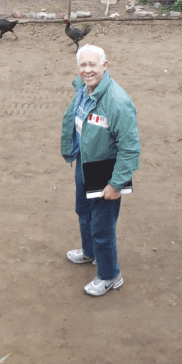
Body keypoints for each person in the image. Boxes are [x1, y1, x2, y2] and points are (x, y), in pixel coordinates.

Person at [60, 43, 140, 296]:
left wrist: (116, 184)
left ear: (104, 66)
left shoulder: (118, 102)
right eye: (83, 64)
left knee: (102, 227)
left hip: (105, 169)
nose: (87, 70)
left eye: (92, 64)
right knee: (84, 211)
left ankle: (110, 275)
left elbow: (130, 149)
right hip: (85, 161)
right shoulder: (83, 90)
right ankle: (90, 252)